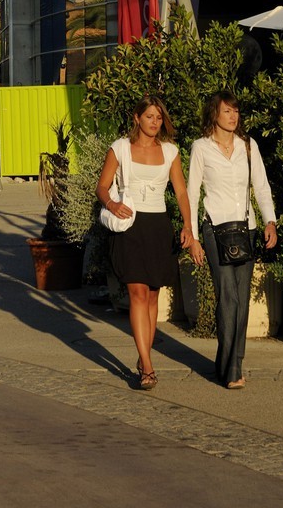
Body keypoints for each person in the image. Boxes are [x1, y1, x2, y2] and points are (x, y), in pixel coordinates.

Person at [96, 95, 193, 391]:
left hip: (158, 227)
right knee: (137, 292)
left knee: (152, 296)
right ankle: (148, 367)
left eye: (159, 117)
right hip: (130, 226)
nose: (155, 122)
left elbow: (180, 193)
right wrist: (112, 204)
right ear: (137, 118)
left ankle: (143, 355)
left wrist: (189, 226)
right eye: (150, 116)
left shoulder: (171, 152)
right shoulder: (120, 148)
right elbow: (101, 186)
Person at [188, 91, 278, 389]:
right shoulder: (200, 148)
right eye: (227, 111)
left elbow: (261, 187)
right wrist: (192, 235)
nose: (233, 116)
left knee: (241, 301)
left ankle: (228, 361)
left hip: (247, 228)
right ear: (214, 114)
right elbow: (191, 193)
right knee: (228, 297)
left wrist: (270, 221)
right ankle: (233, 369)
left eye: (236, 111)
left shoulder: (248, 147)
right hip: (214, 230)